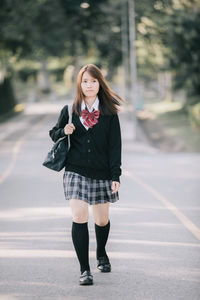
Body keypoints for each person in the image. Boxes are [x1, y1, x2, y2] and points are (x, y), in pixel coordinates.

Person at [49, 64, 123, 286]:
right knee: (79, 216)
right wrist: (64, 131)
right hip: (75, 170)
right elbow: (54, 134)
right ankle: (85, 270)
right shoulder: (71, 110)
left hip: (101, 172)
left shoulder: (109, 113)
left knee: (101, 219)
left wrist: (115, 175)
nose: (89, 85)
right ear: (79, 84)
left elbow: (115, 147)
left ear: (99, 84)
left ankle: (101, 252)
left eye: (93, 81)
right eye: (85, 81)